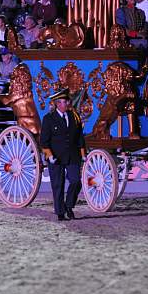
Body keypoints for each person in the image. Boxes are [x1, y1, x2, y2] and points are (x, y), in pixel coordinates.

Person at [41, 88, 86, 221]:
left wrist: (83, 153)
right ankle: (60, 212)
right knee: (58, 185)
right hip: (56, 156)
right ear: (56, 104)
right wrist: (49, 155)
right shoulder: (49, 119)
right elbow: (44, 140)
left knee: (76, 181)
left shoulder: (74, 117)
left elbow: (79, 137)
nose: (64, 105)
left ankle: (69, 206)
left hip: (72, 155)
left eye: (65, 102)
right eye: (60, 102)